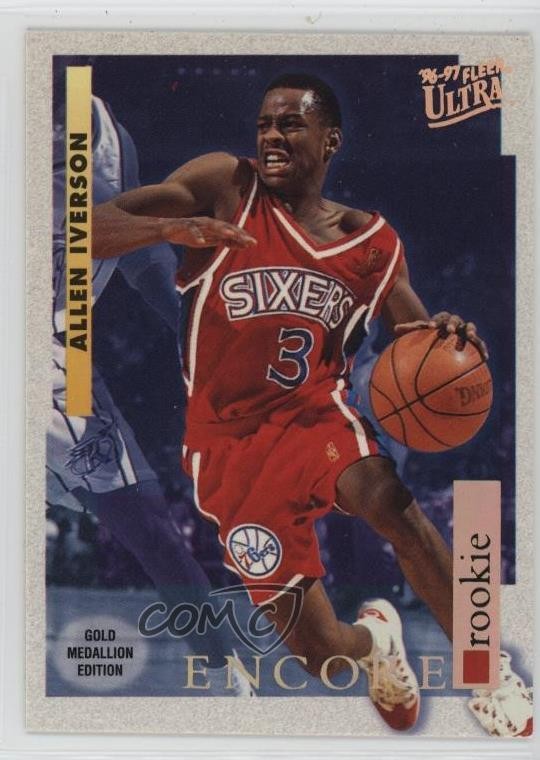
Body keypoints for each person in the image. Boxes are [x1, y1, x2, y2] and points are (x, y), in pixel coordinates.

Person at [92, 72, 531, 733]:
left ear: (330, 141)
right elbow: (84, 227)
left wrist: (445, 336)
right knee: (321, 657)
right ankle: (377, 643)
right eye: (264, 124)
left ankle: (488, 668)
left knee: (392, 504)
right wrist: (173, 228)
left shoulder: (370, 241)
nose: (271, 135)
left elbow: (414, 338)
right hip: (228, 447)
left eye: (290, 124)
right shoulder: (225, 185)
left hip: (315, 418)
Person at [49, 78, 252, 694]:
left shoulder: (102, 134)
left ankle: (222, 675)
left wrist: (193, 331)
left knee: (148, 524)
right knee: (147, 528)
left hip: (58, 346)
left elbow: (131, 252)